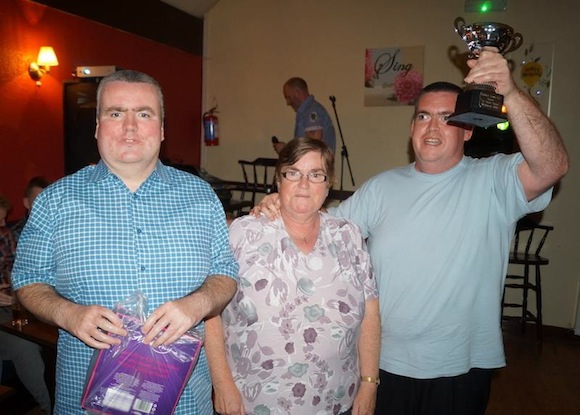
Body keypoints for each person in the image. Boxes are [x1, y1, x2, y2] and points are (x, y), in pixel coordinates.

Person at [254, 48, 569, 414]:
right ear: (411, 128)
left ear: (467, 130)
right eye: (423, 116)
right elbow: (325, 230)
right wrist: (280, 207)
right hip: (384, 364)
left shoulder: (494, 179)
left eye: (447, 118)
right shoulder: (381, 187)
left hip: (460, 367)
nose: (432, 127)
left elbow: (552, 165)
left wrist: (511, 93)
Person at [11, 69, 240, 415]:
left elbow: (225, 273)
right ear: (98, 127)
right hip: (85, 402)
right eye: (116, 113)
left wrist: (198, 304)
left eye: (144, 114)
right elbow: (27, 279)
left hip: (185, 404)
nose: (130, 127)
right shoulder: (55, 201)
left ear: (162, 129)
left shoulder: (201, 197)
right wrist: (68, 313)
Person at [205, 137, 380, 415]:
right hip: (254, 402)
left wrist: (370, 382)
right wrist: (222, 382)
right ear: (279, 180)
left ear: (329, 183)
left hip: (336, 398)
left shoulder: (349, 236)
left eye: (315, 175)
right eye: (293, 173)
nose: (303, 184)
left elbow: (370, 312)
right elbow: (211, 311)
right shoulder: (243, 234)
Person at [0, 193, 52, 414]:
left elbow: (20, 272)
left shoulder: (6, 237)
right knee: (25, 345)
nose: (4, 227)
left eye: (4, 221)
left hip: (11, 305)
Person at [273, 77, 337, 154]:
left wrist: (286, 150)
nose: (288, 102)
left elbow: (313, 146)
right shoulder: (308, 111)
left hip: (313, 165)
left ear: (298, 92)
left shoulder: (311, 111)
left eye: (289, 97)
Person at [11, 176, 51, 240]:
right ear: (26, 203)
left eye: (48, 200)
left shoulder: (58, 227)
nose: (44, 204)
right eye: (38, 201)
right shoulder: (17, 234)